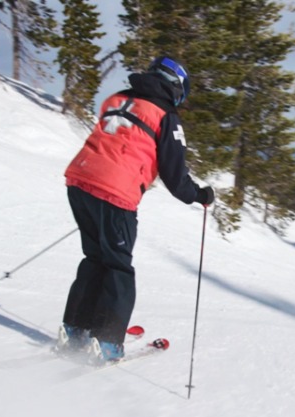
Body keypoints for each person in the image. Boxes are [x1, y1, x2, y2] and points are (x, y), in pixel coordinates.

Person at [55, 56, 214, 364]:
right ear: (177, 86)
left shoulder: (117, 99)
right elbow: (175, 176)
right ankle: (108, 341)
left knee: (95, 258)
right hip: (115, 193)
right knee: (118, 267)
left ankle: (75, 327)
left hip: (79, 179)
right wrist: (201, 195)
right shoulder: (166, 115)